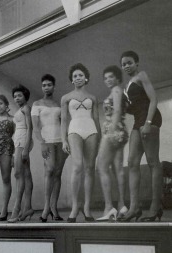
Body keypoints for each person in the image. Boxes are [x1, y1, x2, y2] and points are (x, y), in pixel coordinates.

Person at [120, 51, 163, 222]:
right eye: (123, 64)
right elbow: (135, 107)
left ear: (137, 63)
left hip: (150, 120)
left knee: (153, 162)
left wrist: (148, 122)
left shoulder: (142, 75)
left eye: (129, 62)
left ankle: (155, 206)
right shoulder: (128, 85)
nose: (126, 66)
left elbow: (153, 99)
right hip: (138, 121)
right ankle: (134, 208)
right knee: (132, 162)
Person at [61, 63, 101, 223]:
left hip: (91, 130)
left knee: (90, 168)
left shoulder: (93, 98)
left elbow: (97, 119)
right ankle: (75, 207)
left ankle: (87, 208)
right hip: (74, 130)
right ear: (72, 79)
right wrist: (63, 139)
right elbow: (64, 121)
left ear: (86, 78)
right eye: (75, 76)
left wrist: (100, 137)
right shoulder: (65, 98)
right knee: (77, 166)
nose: (78, 78)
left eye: (80, 75)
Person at [31, 74, 68, 222]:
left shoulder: (59, 104)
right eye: (44, 85)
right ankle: (46, 207)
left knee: (58, 173)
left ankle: (54, 208)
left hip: (60, 140)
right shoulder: (36, 104)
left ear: (54, 86)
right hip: (47, 140)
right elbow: (35, 128)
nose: (46, 87)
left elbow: (64, 123)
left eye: (49, 85)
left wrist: (66, 140)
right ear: (42, 87)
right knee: (50, 169)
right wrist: (42, 142)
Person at [96, 66, 129, 221]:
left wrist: (111, 133)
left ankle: (109, 207)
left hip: (113, 130)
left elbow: (116, 111)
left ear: (117, 78)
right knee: (118, 168)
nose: (108, 80)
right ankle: (122, 205)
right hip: (121, 130)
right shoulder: (119, 90)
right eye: (105, 78)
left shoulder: (116, 90)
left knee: (101, 167)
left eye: (111, 77)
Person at [8, 85, 34, 223]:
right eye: (15, 96)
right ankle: (28, 207)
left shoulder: (26, 108)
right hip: (17, 139)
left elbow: (30, 128)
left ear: (25, 96)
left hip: (23, 139)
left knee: (18, 173)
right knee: (26, 174)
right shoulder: (19, 110)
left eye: (19, 95)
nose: (17, 98)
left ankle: (17, 208)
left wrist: (25, 148)